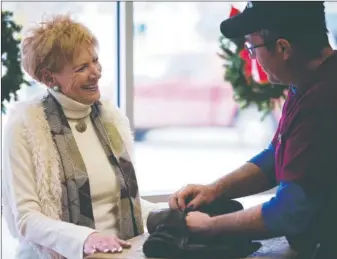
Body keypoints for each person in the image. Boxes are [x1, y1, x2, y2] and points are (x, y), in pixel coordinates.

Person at [169, 2, 337, 258]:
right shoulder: (306, 81)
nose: (250, 56)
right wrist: (215, 190)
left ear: (283, 48)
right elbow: (277, 156)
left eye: (252, 46)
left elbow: (291, 211)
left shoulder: (324, 101)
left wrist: (213, 227)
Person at [2, 14, 159, 259]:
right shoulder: (25, 125)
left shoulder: (109, 117)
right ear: (48, 77)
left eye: (95, 61)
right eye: (82, 68)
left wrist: (169, 213)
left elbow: (123, 203)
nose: (96, 73)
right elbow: (26, 218)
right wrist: (86, 239)